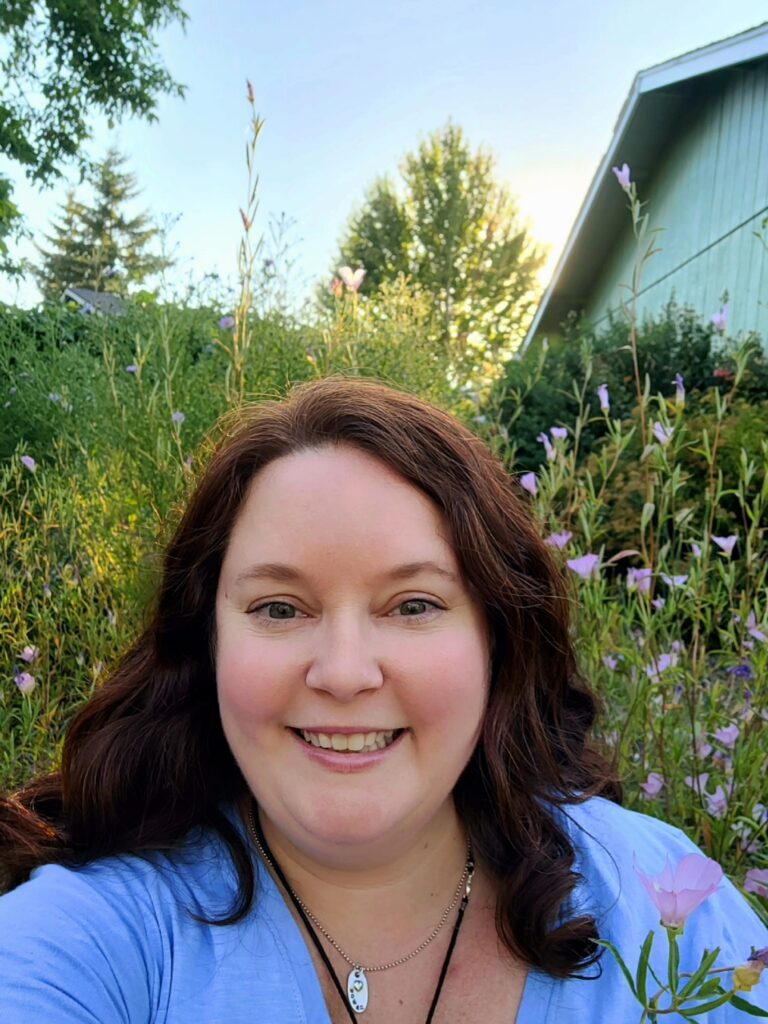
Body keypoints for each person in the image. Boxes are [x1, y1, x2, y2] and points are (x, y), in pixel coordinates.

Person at [0, 376, 765, 1023]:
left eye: (413, 605)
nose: (343, 672)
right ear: (207, 643)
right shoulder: (95, 942)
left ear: (496, 641)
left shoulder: (668, 904)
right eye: (278, 608)